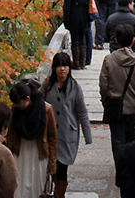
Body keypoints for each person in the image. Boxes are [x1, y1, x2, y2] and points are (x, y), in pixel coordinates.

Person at [99, 24, 135, 177]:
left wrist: (106, 101)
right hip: (134, 107)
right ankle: (129, 169)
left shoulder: (109, 60)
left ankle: (121, 170)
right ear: (133, 40)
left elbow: (103, 85)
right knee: (131, 140)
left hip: (115, 106)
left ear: (116, 40)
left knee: (117, 140)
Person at [43, 53, 92, 198]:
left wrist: (87, 135)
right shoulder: (47, 85)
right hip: (49, 133)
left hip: (67, 133)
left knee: (62, 167)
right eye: (59, 66)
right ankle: (53, 191)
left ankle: (60, 193)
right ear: (54, 68)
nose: (62, 69)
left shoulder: (75, 87)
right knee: (51, 165)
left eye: (65, 66)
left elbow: (82, 112)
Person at [7, 79, 58, 198]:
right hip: (20, 152)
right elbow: (11, 132)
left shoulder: (46, 109)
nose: (16, 105)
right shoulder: (15, 109)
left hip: (39, 153)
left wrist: (52, 162)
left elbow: (52, 138)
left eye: (18, 103)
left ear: (27, 99)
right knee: (19, 187)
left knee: (37, 188)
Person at [62, 0, 93, 69]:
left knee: (75, 39)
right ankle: (83, 62)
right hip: (85, 15)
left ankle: (76, 63)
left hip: (74, 16)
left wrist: (66, 20)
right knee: (82, 38)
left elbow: (67, 7)